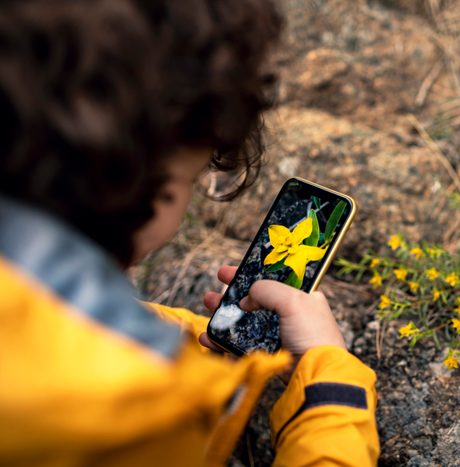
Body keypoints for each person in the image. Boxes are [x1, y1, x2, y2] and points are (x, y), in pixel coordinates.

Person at [0, 0, 379, 465]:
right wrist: (328, 382)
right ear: (138, 182)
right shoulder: (119, 417)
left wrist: (195, 341)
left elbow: (54, 321)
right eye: (191, 179)